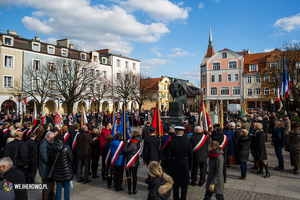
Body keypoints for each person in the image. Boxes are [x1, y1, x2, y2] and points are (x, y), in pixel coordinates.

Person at [168, 124, 193, 200]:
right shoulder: (188, 142)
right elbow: (191, 155)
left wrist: (169, 167)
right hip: (185, 163)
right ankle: (183, 198)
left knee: (175, 184)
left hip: (174, 164)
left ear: (175, 132)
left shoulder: (171, 142)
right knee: (184, 184)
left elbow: (169, 156)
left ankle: (175, 198)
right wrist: (190, 166)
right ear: (182, 133)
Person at [50, 134, 73, 200]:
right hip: (66, 170)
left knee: (58, 188)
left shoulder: (52, 148)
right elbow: (71, 158)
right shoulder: (66, 148)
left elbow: (51, 159)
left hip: (57, 170)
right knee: (67, 188)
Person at [39, 131, 55, 200]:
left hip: (50, 169)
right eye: (51, 138)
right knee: (46, 187)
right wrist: (53, 157)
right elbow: (45, 158)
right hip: (45, 169)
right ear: (47, 138)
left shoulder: (51, 143)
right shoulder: (43, 145)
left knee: (51, 186)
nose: (53, 140)